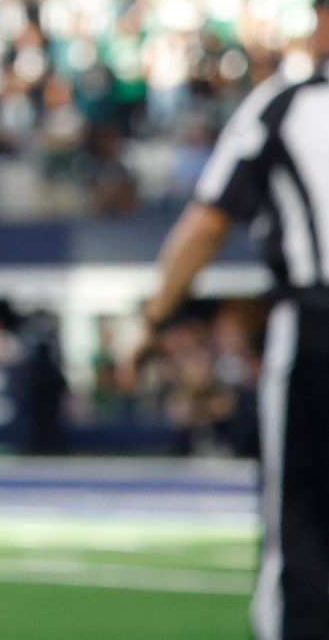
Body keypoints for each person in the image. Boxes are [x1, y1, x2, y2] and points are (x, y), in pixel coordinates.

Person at [128, 60, 329, 640]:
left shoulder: (286, 104)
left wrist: (155, 315)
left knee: (299, 523)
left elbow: (208, 222)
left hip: (315, 326)